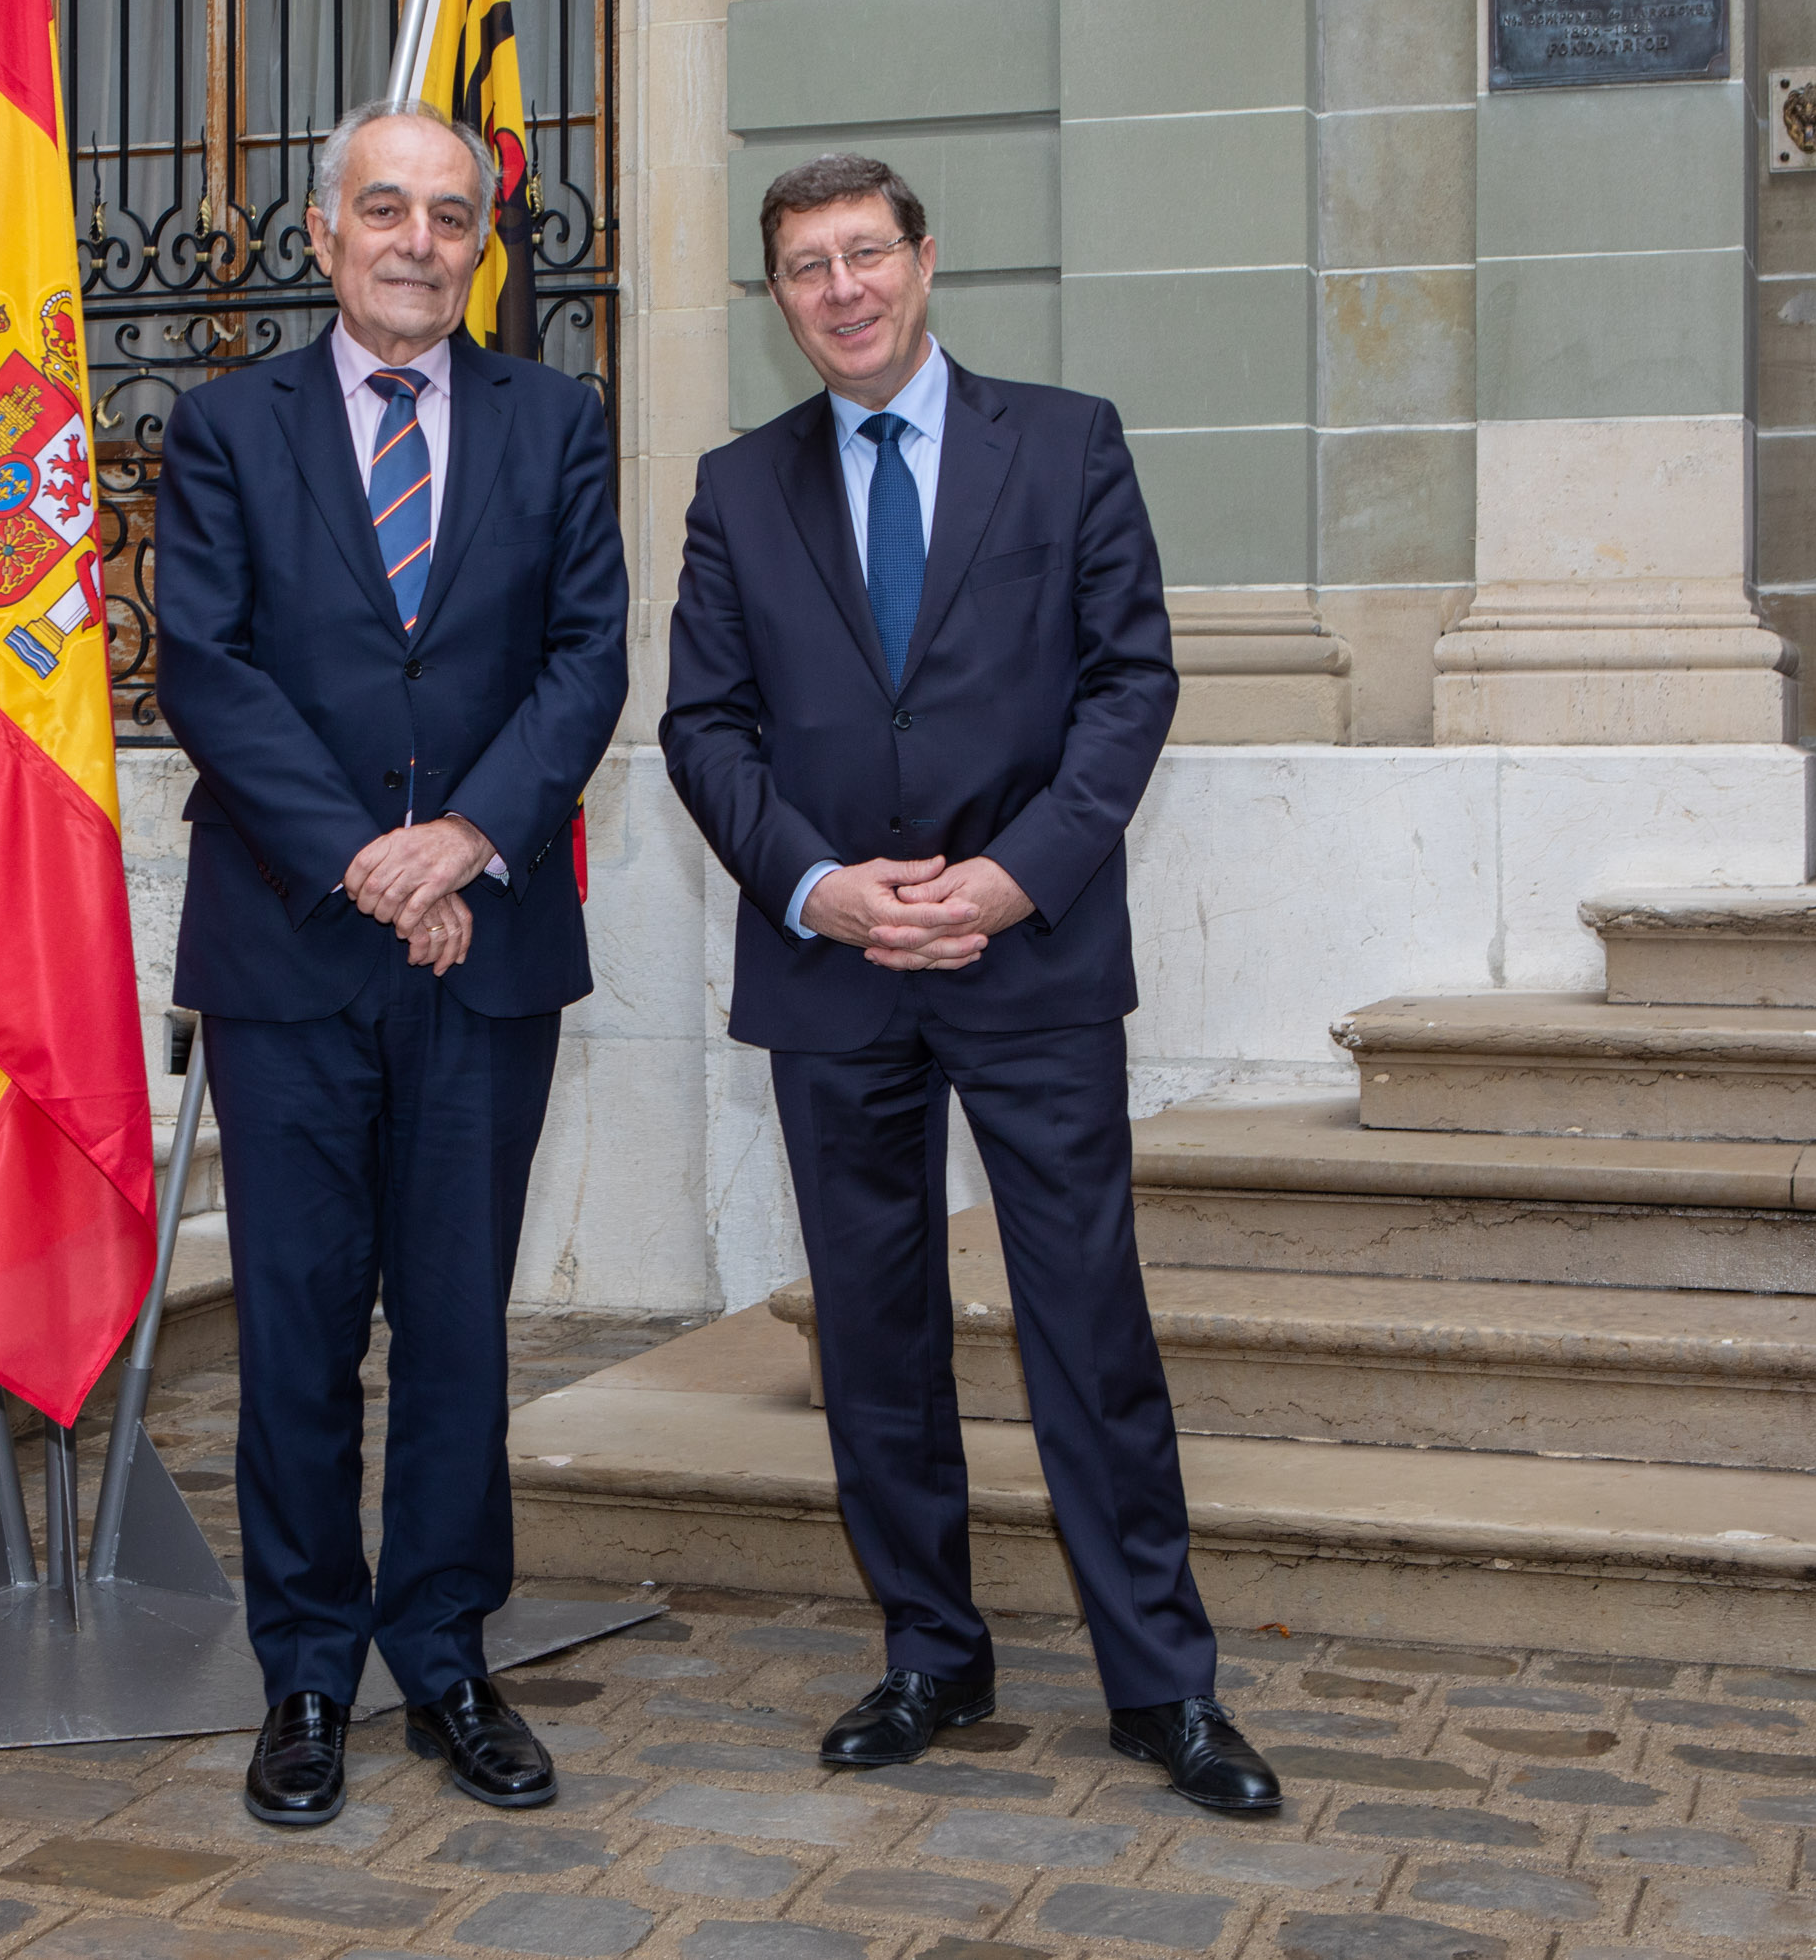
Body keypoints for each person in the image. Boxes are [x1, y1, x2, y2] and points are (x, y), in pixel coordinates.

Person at [657, 154, 1279, 1816]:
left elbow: (1129, 680)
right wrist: (821, 887)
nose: (842, 287)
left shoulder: (1066, 442)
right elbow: (701, 727)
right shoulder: (737, 486)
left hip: (1034, 954)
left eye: (867, 253)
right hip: (835, 968)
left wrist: (1016, 877)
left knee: (1086, 1318)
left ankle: (1162, 1680)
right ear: (776, 299)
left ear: (927, 263)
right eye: (805, 266)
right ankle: (930, 1650)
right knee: (873, 1329)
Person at [154, 99, 629, 1829]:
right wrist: (371, 856)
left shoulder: (554, 419)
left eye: (451, 212)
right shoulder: (223, 427)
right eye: (385, 208)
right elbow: (205, 667)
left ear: (480, 240)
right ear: (323, 231)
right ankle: (304, 1668)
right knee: (292, 1328)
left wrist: (468, 840)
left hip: (486, 945)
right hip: (290, 947)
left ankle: (443, 1654)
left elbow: (587, 660)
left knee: (454, 1326)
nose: (418, 239)